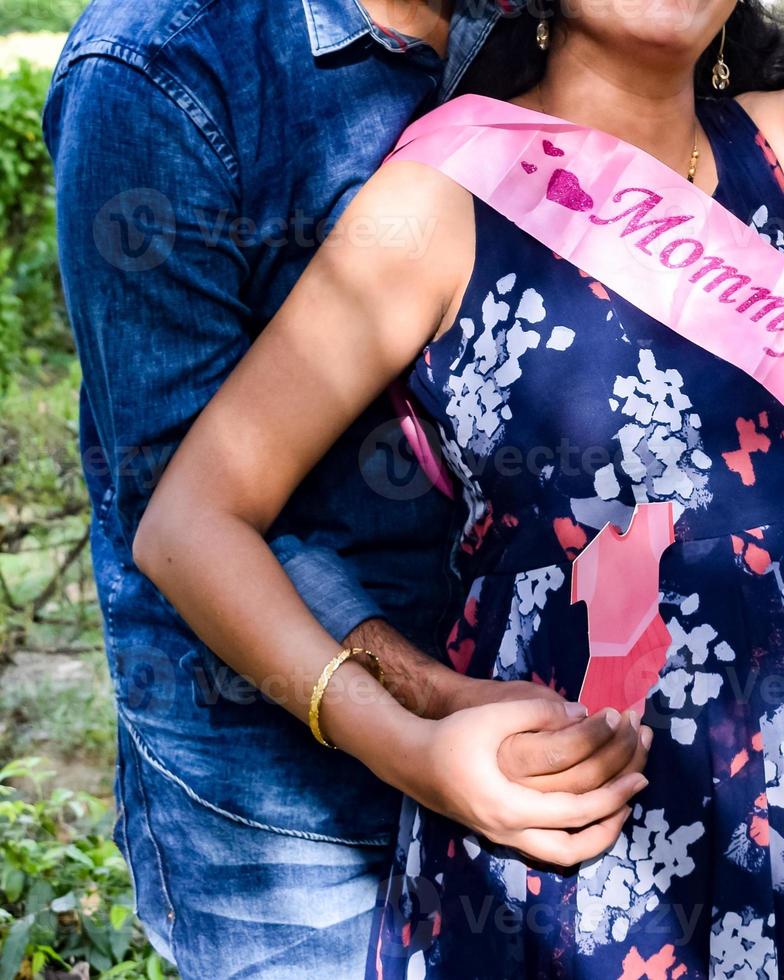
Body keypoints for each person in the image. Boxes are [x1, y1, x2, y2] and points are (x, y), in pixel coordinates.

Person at [132, 2, 784, 979]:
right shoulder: (442, 195)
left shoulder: (774, 145)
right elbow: (189, 520)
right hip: (584, 840)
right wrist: (409, 748)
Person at [43, 1, 654, 976]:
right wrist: (427, 721)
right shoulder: (155, 71)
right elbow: (185, 509)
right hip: (284, 822)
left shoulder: (536, 23)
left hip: (521, 736)